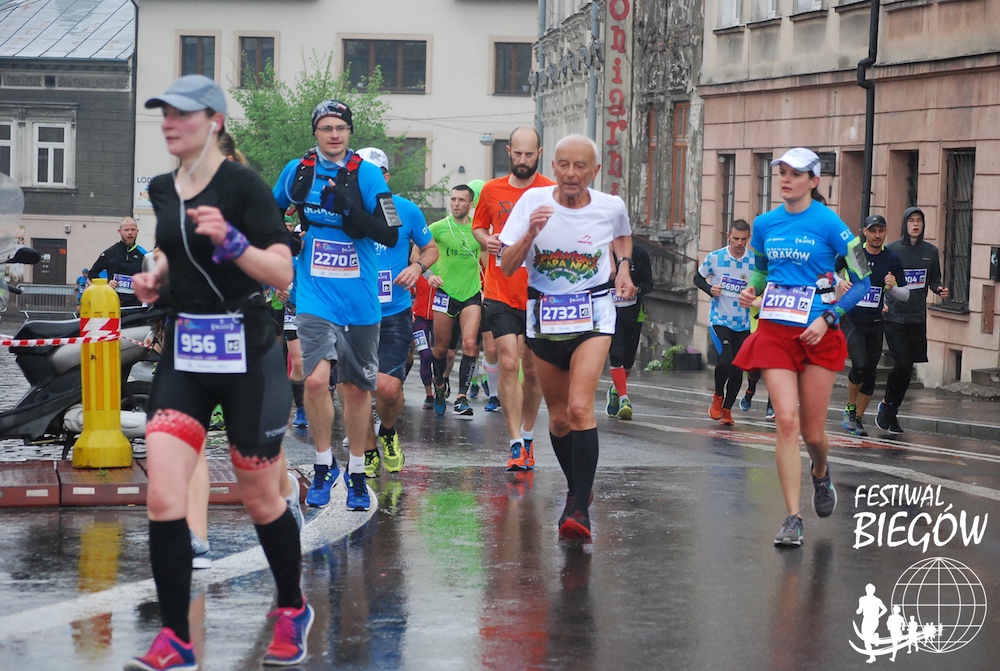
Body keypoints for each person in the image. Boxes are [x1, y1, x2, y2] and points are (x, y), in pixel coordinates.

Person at [127, 74, 310, 669]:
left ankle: (291, 608)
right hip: (185, 351)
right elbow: (174, 257)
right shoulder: (163, 189)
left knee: (259, 495)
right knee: (163, 493)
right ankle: (176, 637)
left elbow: (281, 273)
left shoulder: (243, 186)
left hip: (247, 352)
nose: (169, 124)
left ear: (215, 123)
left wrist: (234, 244)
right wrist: (155, 280)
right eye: (164, 114)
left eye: (182, 114)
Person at [499, 134, 635, 542]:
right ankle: (578, 489)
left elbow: (622, 235)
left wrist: (623, 267)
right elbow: (506, 266)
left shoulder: (610, 206)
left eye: (580, 166)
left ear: (595, 171)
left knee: (579, 407)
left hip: (594, 312)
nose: (571, 173)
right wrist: (529, 235)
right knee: (558, 418)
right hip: (545, 316)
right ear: (553, 167)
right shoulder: (531, 203)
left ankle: (578, 508)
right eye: (564, 164)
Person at [733, 147, 871, 547]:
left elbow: (862, 280)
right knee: (786, 422)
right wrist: (751, 290)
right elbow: (761, 272)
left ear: (813, 181)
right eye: (782, 173)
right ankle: (793, 517)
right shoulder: (764, 224)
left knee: (812, 433)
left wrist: (829, 317)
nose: (786, 179)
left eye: (795, 174)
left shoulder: (830, 224)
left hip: (818, 333)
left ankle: (821, 471)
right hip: (775, 331)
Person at [272, 99, 399, 512]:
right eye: (326, 127)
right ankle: (324, 464)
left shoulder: (366, 174)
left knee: (357, 390)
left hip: (359, 299)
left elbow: (390, 234)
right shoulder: (299, 170)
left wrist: (348, 211)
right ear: (315, 132)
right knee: (314, 381)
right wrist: (286, 239)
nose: (333, 135)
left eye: (340, 128)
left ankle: (357, 472)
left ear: (349, 132)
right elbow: (268, 212)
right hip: (314, 294)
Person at [473, 127, 555, 469]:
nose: (523, 160)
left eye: (529, 154)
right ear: (508, 151)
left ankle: (529, 434)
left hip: (538, 293)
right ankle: (515, 444)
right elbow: (479, 226)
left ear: (539, 153)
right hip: (500, 289)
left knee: (533, 371)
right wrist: (486, 240)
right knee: (508, 362)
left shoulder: (551, 191)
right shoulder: (492, 190)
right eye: (517, 154)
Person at [356, 146, 438, 477]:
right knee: (358, 388)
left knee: (388, 388)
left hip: (394, 313)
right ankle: (367, 447)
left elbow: (430, 248)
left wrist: (417, 267)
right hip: (352, 313)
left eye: (375, 174)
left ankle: (388, 432)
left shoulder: (405, 210)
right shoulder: (345, 213)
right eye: (362, 173)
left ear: (386, 177)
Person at [876, 206, 949, 434]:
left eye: (919, 221)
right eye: (911, 221)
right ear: (905, 224)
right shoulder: (892, 250)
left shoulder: (930, 251)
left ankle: (891, 411)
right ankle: (887, 403)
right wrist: (881, 302)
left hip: (917, 317)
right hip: (894, 316)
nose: (915, 224)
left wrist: (939, 289)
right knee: (902, 362)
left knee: (908, 369)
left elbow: (934, 280)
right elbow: (879, 279)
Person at [838, 215, 909, 436]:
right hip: (851, 318)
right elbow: (826, 271)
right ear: (865, 232)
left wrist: (892, 288)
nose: (877, 235)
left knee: (870, 373)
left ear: (886, 232)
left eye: (881, 231)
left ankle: (858, 419)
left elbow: (906, 294)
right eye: (873, 231)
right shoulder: (854, 253)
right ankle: (850, 409)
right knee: (859, 365)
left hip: (875, 322)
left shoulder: (892, 258)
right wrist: (840, 282)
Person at [427, 185, 482, 417]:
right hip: (445, 293)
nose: (456, 203)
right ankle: (440, 385)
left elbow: (490, 255)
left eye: (461, 200)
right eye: (453, 199)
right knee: (441, 349)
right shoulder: (438, 227)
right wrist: (428, 275)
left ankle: (462, 397)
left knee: (470, 344)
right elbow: (416, 252)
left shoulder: (479, 229)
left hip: (471, 294)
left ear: (471, 204)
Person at [695, 220, 755, 426]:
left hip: (743, 322)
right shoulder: (715, 257)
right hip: (720, 319)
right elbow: (697, 278)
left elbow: (762, 285)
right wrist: (710, 289)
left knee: (738, 367)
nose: (739, 243)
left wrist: (754, 293)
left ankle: (728, 409)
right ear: (728, 236)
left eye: (743, 239)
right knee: (726, 360)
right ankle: (718, 395)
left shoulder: (753, 261)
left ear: (748, 238)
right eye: (735, 238)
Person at [605, 243, 653, 420]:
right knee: (616, 354)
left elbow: (649, 284)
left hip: (633, 313)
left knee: (628, 361)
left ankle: (615, 390)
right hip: (609, 314)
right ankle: (624, 399)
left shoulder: (640, 254)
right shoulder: (601, 252)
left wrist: (636, 290)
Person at [88, 216, 147, 307]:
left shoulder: (143, 254)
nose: (130, 233)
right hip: (112, 304)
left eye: (133, 229)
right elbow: (92, 273)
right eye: (126, 230)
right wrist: (106, 285)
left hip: (135, 307)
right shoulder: (110, 253)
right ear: (119, 232)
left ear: (137, 231)